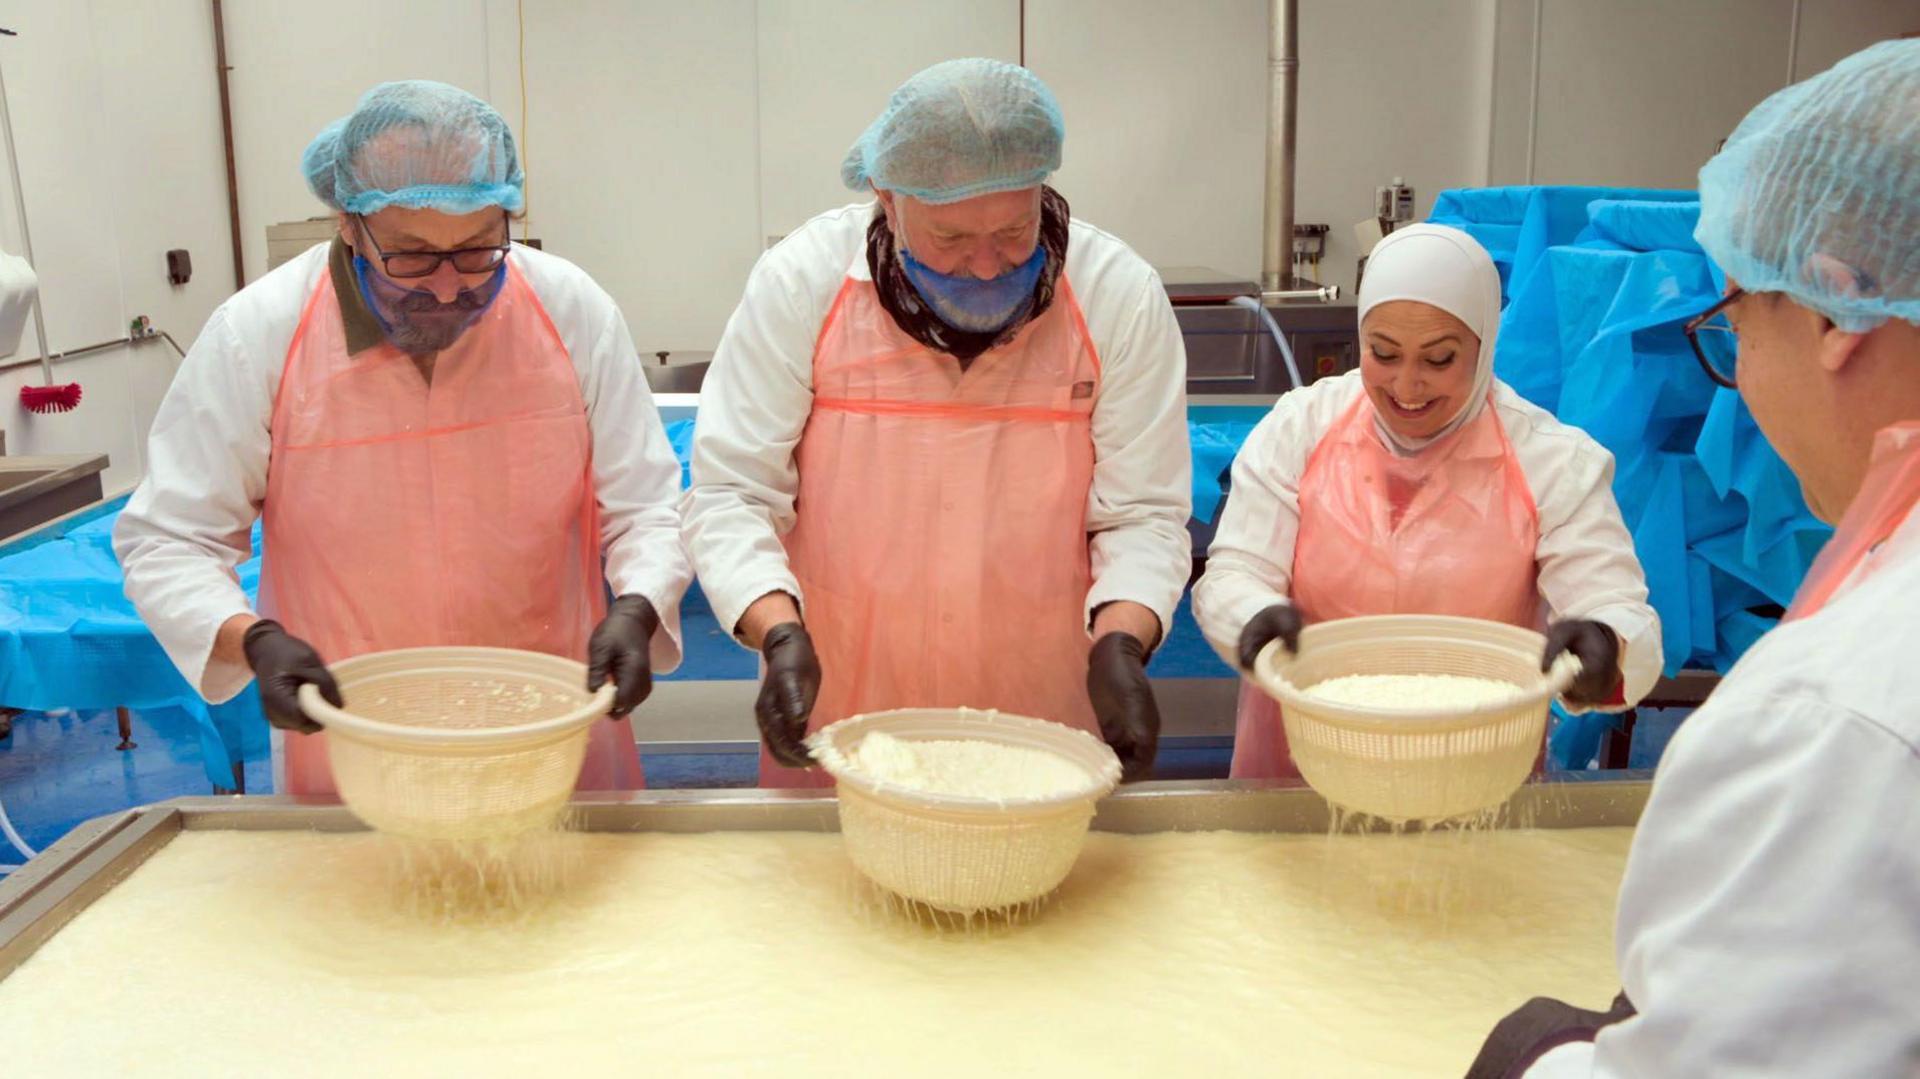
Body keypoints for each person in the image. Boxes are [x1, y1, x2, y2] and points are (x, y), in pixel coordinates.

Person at [1464, 39, 1920, 1078]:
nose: (1741, 379)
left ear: (1836, 310)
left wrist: (1534, 1058)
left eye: (1737, 327)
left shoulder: (1839, 714)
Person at [114, 81, 690, 794]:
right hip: (355, 745)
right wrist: (249, 639)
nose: (448, 288)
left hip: (548, 729)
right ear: (348, 224)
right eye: (413, 257)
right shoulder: (259, 333)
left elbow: (647, 506)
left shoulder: (570, 312)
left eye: (479, 250)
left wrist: (636, 604)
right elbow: (173, 536)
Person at [682, 59, 1192, 787]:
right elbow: (732, 490)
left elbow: (1141, 512)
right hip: (847, 713)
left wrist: (1121, 640)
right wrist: (777, 628)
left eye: (1015, 232)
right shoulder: (803, 283)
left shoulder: (1117, 295)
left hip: (1040, 718)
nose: (986, 268)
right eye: (951, 239)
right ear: (888, 200)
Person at [1192, 223, 1662, 778]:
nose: (1407, 387)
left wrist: (1606, 643)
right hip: (1303, 769)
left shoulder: (1553, 462)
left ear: (1485, 346)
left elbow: (1614, 604)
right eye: (1383, 353)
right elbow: (1236, 571)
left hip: (1470, 779)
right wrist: (1253, 616)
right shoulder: (1301, 428)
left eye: (1439, 360)